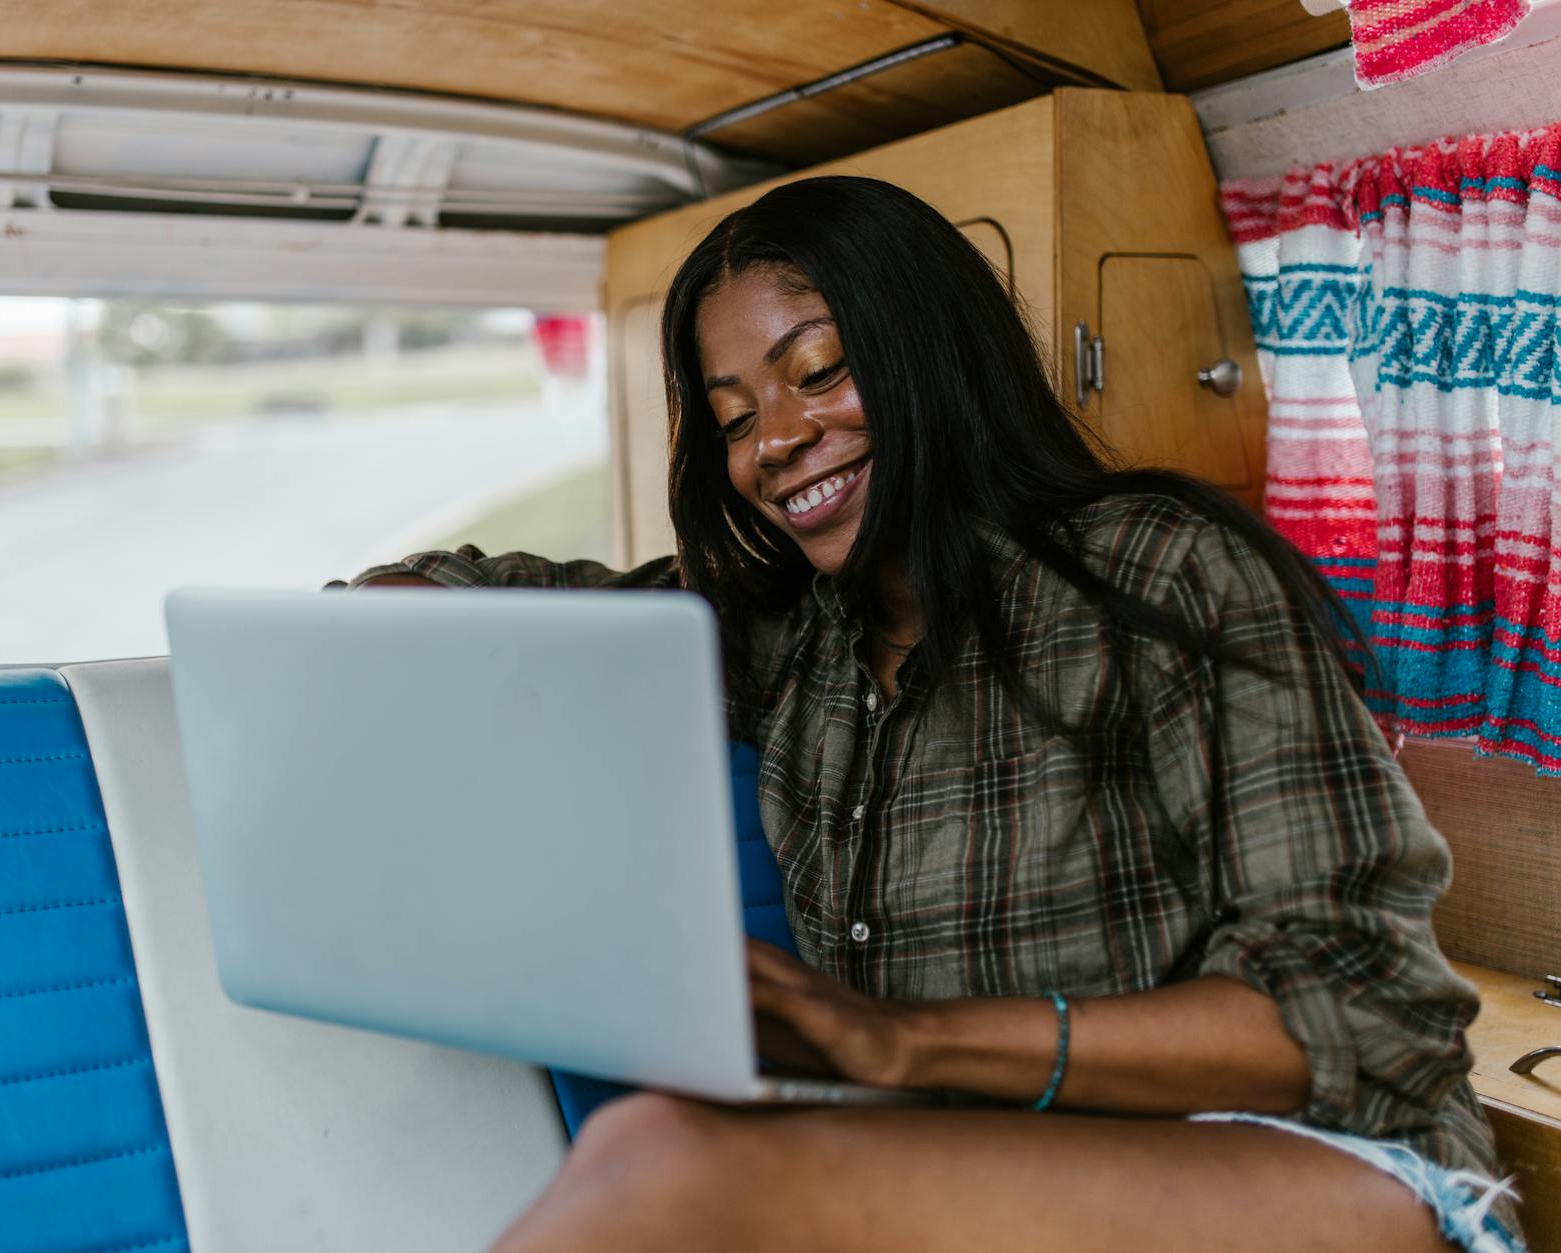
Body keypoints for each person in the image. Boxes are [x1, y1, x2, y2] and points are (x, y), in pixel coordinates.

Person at [347, 176, 1523, 1252]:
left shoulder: (1163, 568)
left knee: (662, 1163)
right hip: (1003, 1168)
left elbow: (1362, 1013)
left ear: (929, 354)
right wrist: (375, 620)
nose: (777, 441)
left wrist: (898, 1039)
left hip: (1317, 1161)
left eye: (816, 371)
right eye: (732, 415)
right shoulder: (789, 631)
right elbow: (514, 601)